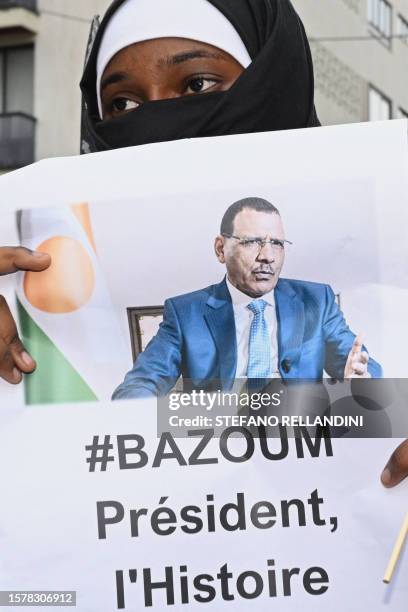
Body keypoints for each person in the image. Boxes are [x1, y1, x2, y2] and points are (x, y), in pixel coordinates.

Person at [0, 0, 405, 483]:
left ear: (271, 84)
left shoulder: (330, 290)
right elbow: (135, 391)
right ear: (222, 249)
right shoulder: (171, 307)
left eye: (197, 85)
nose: (154, 124)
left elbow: (371, 387)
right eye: (123, 104)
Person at [112, 197, 381, 399]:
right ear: (221, 249)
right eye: (252, 242)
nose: (267, 255)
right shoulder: (186, 313)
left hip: (300, 442)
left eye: (277, 243)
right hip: (221, 444)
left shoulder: (315, 301)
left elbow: (362, 367)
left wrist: (362, 379)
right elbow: (138, 386)